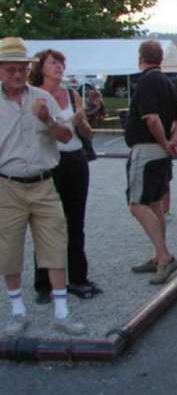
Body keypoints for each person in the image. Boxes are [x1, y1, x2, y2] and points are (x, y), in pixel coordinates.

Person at [0, 37, 85, 336]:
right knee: (8, 249)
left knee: (54, 245)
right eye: (9, 69)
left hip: (44, 183)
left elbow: (64, 137)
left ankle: (61, 313)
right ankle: (18, 311)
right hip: (7, 185)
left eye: (21, 68)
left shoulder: (42, 98)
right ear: (0, 70)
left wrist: (48, 120)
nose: (16, 74)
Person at [29, 49, 102, 301]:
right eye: (53, 62)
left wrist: (82, 121)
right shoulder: (35, 95)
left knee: (75, 220)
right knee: (46, 223)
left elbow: (88, 133)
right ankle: (43, 284)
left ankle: (78, 278)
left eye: (61, 62)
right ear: (41, 68)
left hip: (75, 159)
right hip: (48, 163)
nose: (59, 66)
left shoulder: (71, 94)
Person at [125, 40, 177, 285]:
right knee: (154, 205)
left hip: (146, 151)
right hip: (160, 154)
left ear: (140, 58)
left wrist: (164, 143)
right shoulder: (166, 82)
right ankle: (156, 255)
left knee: (136, 204)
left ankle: (164, 257)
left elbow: (151, 119)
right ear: (160, 58)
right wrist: (172, 142)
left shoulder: (146, 81)